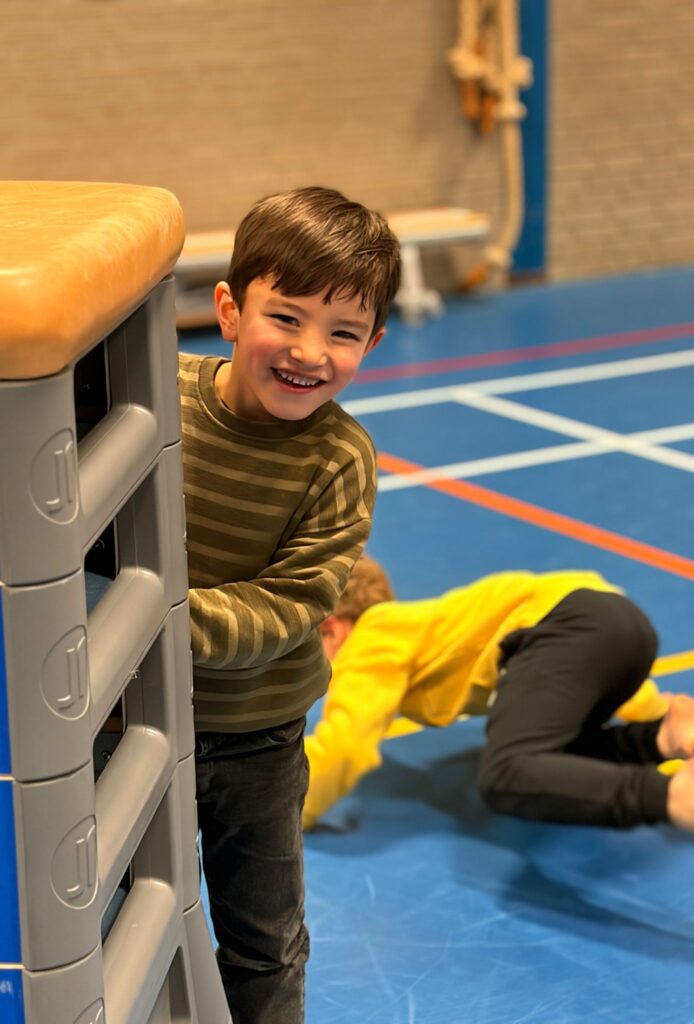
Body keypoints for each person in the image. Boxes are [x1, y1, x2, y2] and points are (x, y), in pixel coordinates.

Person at [178, 187, 400, 1024]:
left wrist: (154, 623)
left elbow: (292, 603)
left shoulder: (340, 459)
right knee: (115, 913)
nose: (311, 351)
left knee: (263, 938)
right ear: (229, 310)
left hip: (257, 736)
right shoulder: (154, 397)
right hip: (124, 724)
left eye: (343, 333)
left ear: (372, 344)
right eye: (288, 317)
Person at [304, 556, 694, 846]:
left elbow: (345, 743)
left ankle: (672, 797)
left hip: (567, 623)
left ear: (332, 628)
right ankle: (661, 737)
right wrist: (653, 712)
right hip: (621, 624)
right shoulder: (419, 630)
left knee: (507, 772)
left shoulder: (370, 638)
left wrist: (292, 814)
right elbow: (572, 673)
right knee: (551, 752)